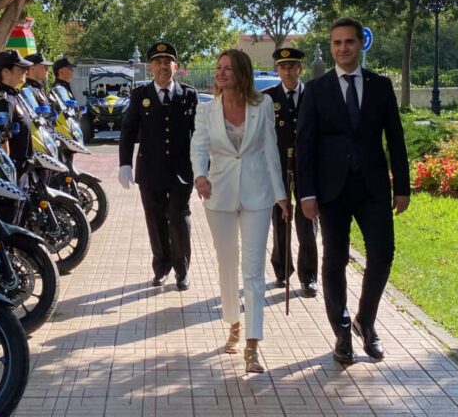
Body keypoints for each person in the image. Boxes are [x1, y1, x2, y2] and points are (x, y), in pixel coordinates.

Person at [296, 17, 410, 364]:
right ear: (331, 47)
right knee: (334, 259)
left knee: (383, 255)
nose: (343, 48)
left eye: (349, 41)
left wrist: (402, 186)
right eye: (336, 43)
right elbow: (305, 146)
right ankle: (342, 331)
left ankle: (366, 321)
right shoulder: (316, 89)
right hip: (331, 190)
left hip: (373, 187)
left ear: (361, 43)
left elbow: (395, 138)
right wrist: (306, 193)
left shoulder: (381, 86)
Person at [190, 49, 288, 374]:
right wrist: (200, 175)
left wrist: (281, 196)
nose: (221, 73)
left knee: (253, 268)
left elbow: (271, 150)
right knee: (227, 263)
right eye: (219, 68)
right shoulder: (206, 110)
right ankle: (233, 321)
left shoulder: (263, 106)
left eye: (228, 68)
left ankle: (252, 342)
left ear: (242, 73)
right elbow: (198, 147)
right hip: (219, 194)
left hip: (258, 195)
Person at [118, 42, 198, 291]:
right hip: (150, 170)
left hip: (181, 171)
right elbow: (128, 130)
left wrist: (203, 169)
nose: (163, 66)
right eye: (158, 62)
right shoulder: (140, 95)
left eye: (167, 62)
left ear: (175, 66)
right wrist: (124, 164)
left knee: (179, 218)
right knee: (155, 220)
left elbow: (199, 134)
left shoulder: (189, 95)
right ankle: (161, 267)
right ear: (150, 68)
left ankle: (182, 270)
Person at [262, 48, 318, 296]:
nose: (287, 72)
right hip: (278, 166)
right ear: (277, 70)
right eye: (283, 67)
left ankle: (309, 276)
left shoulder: (313, 95)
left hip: (307, 166)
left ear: (300, 69)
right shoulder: (267, 98)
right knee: (280, 219)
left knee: (307, 221)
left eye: (292, 67)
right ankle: (282, 270)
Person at [0, 50, 34, 175]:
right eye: (20, 68)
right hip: (14, 170)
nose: (25, 71)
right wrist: (8, 172)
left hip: (23, 168)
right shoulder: (4, 101)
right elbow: (2, 139)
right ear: (6, 72)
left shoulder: (14, 96)